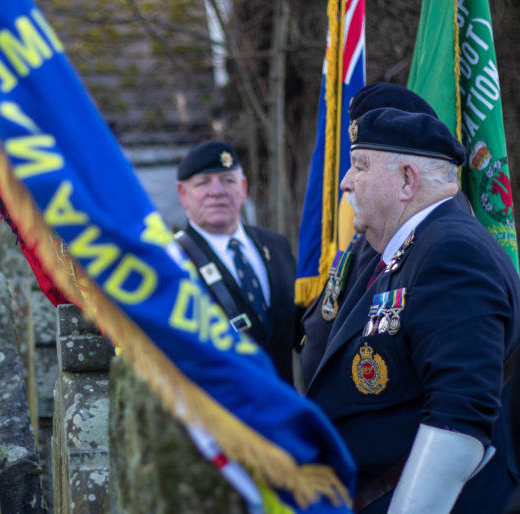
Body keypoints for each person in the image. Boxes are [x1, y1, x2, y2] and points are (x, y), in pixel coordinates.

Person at [304, 108, 520, 513]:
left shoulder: (451, 253)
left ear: (407, 180)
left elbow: (458, 419)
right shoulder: (416, 246)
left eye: (359, 166)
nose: (345, 181)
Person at [299, 82, 472, 385]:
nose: (347, 181)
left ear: (407, 168)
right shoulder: (384, 223)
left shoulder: (440, 237)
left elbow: (455, 394)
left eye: (364, 164)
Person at [174, 140, 299, 383]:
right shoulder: (174, 260)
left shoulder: (276, 246)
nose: (217, 191)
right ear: (182, 194)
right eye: (203, 183)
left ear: (243, 188)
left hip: (283, 412)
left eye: (228, 180)